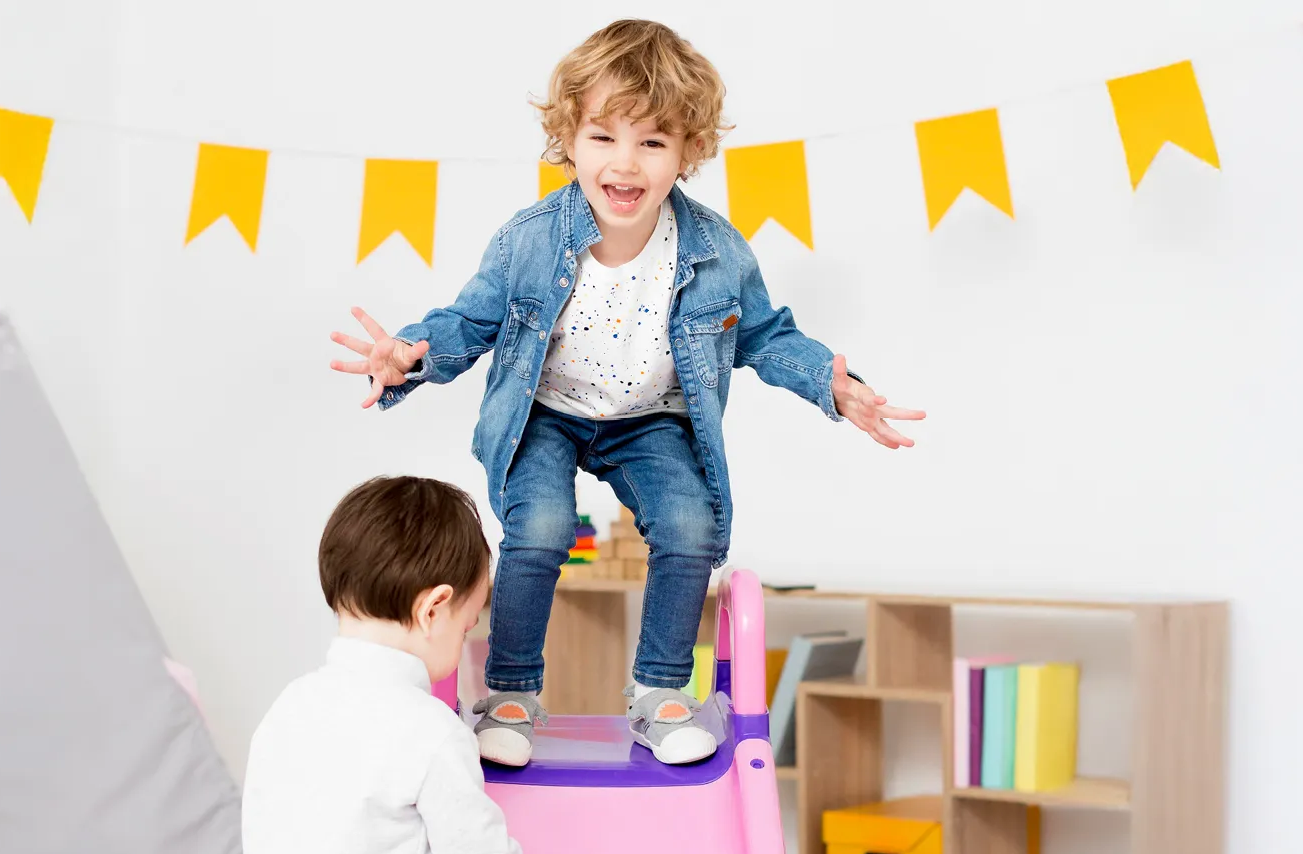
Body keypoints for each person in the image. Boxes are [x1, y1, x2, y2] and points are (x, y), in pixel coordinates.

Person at [330, 19, 924, 768]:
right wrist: (410, 354)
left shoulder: (715, 251)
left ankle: (659, 691)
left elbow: (763, 334)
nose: (625, 162)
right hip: (545, 413)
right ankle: (511, 693)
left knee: (690, 524)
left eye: (651, 142)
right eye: (603, 137)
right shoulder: (529, 239)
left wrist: (833, 385)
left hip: (651, 419)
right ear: (569, 140)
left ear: (687, 151)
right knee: (540, 525)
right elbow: (469, 321)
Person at [241, 475, 596, 854]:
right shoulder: (430, 732)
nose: (464, 639)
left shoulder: (292, 704)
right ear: (434, 609)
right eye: (468, 624)